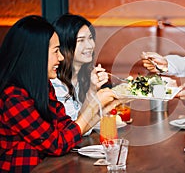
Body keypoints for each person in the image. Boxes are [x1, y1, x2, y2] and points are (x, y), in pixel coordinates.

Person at [0, 15, 118, 172]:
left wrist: (105, 105)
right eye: (56, 51)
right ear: (36, 55)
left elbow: (68, 126)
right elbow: (56, 144)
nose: (61, 57)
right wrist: (95, 104)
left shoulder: (43, 87)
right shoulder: (13, 98)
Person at [51, 14, 108, 130]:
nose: (89, 46)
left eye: (90, 38)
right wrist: (93, 90)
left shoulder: (84, 75)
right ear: (65, 44)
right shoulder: (55, 83)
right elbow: (74, 128)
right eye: (81, 40)